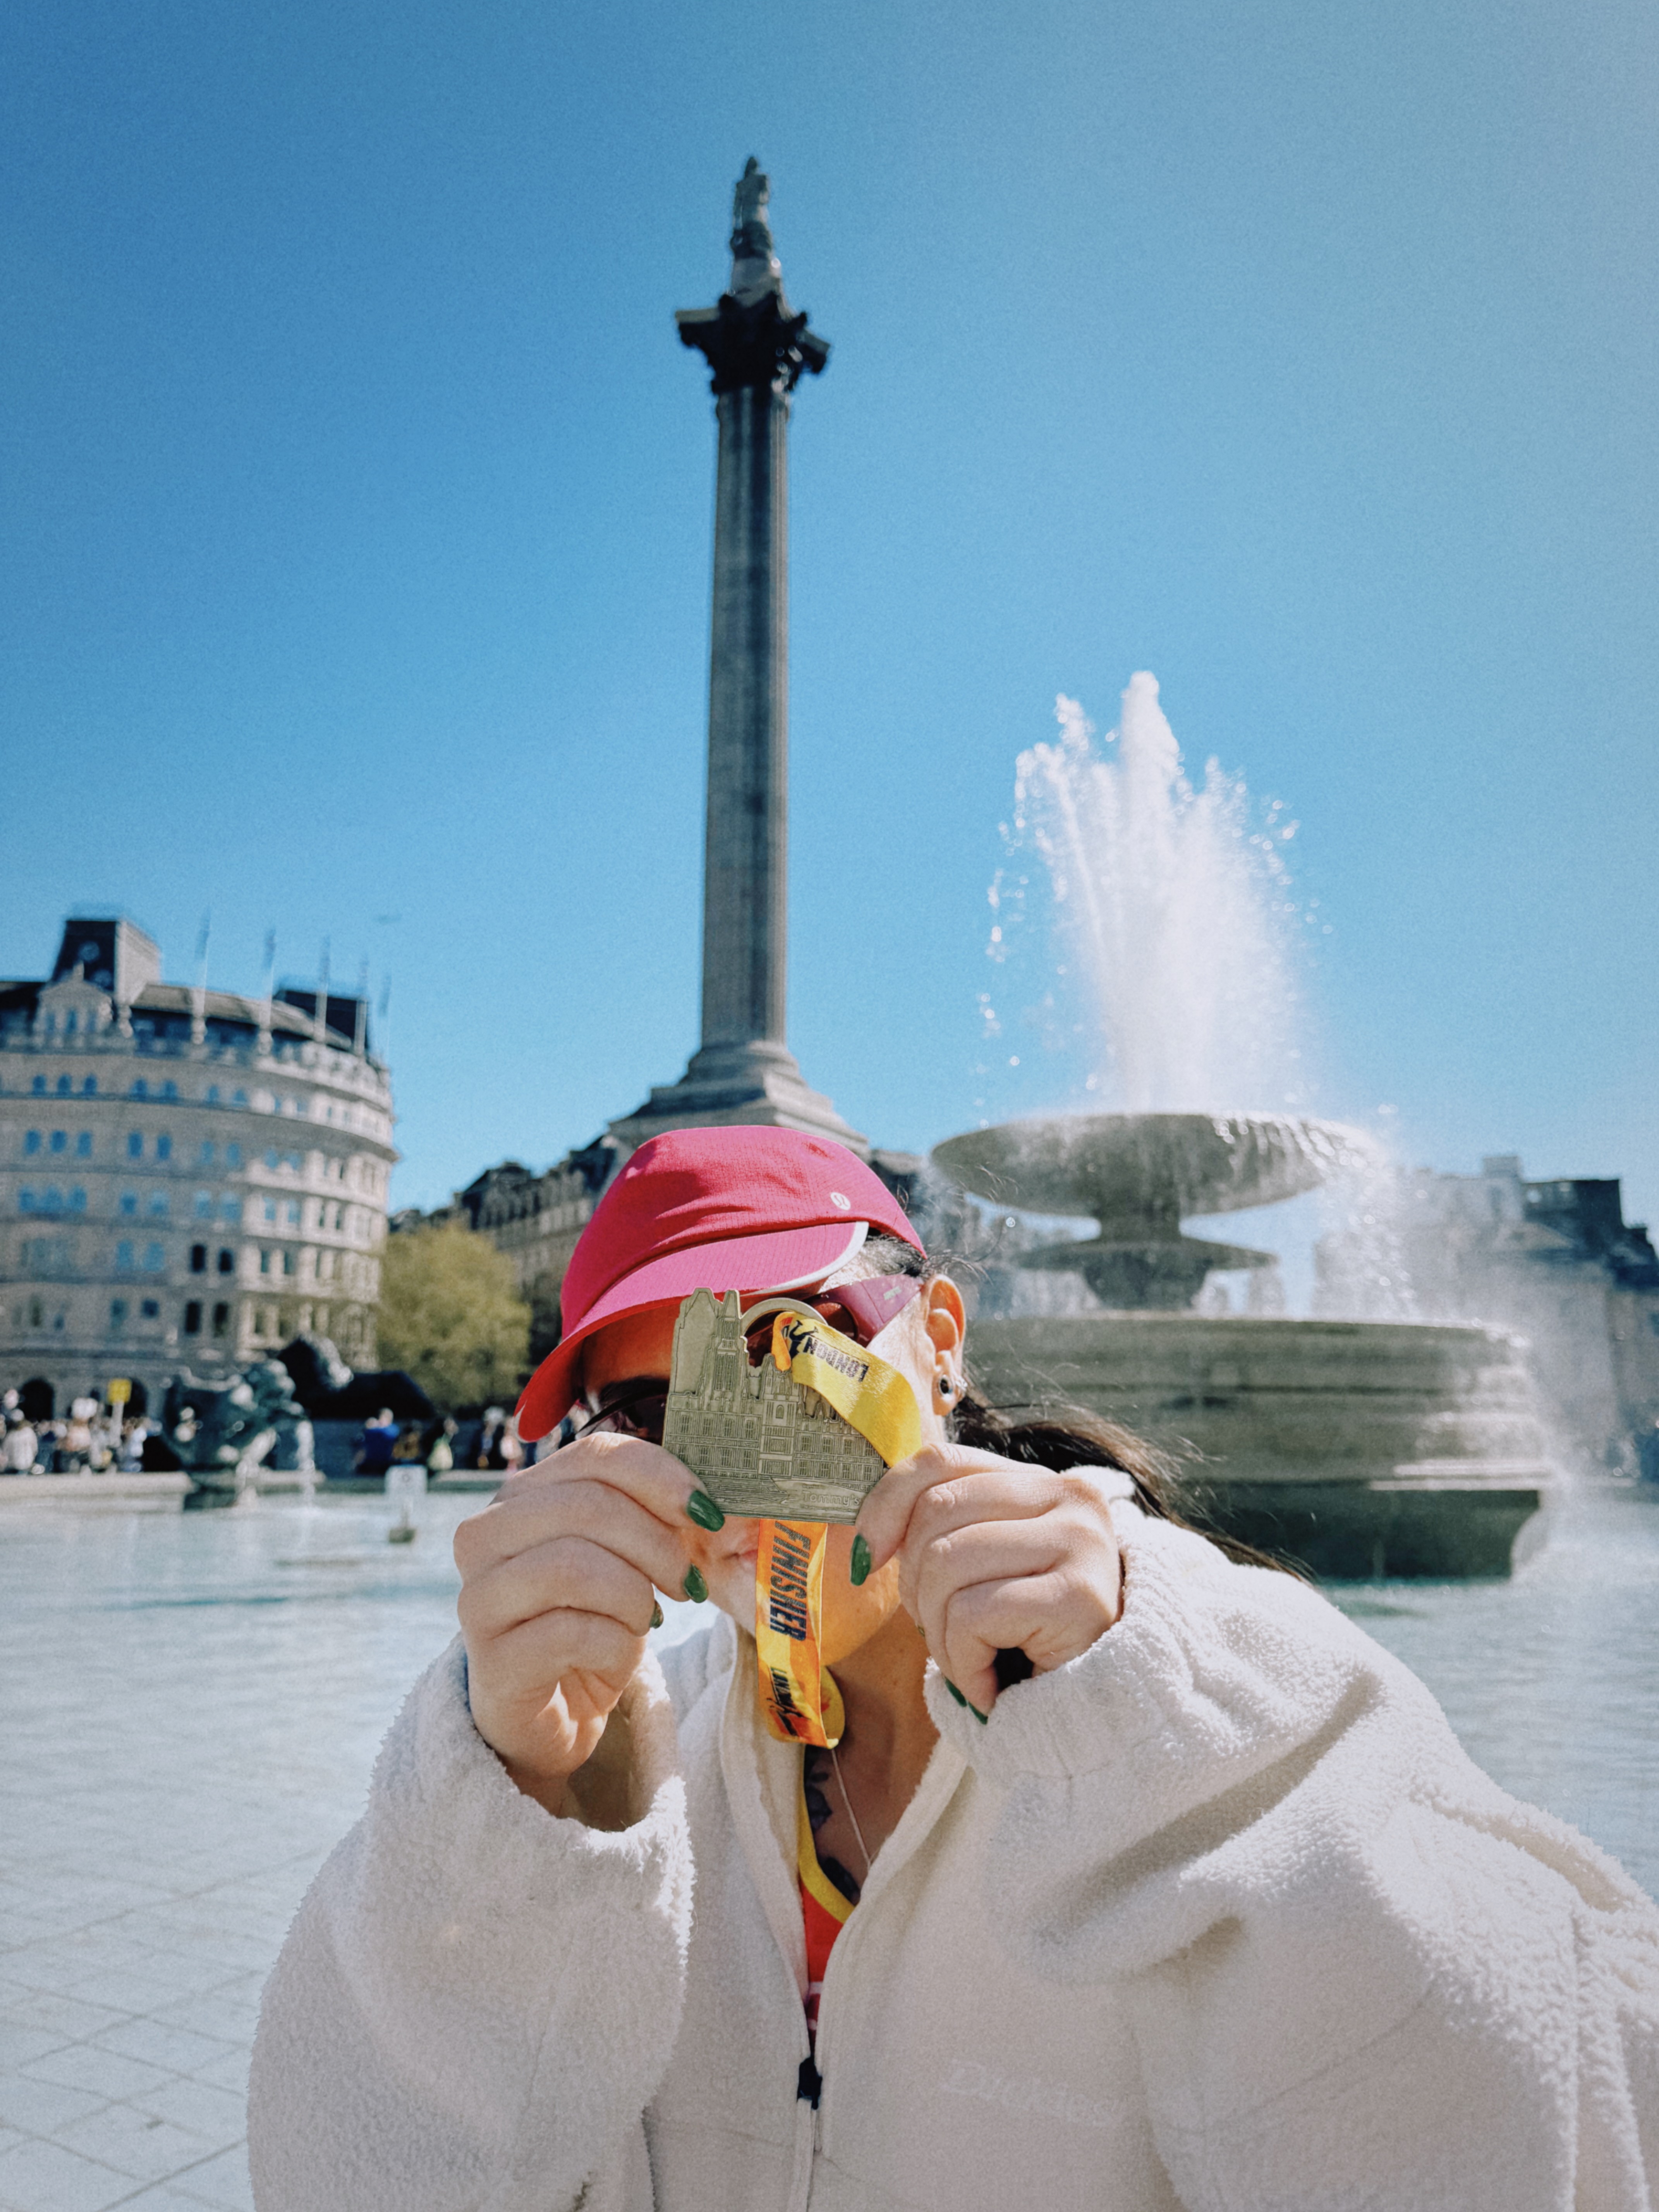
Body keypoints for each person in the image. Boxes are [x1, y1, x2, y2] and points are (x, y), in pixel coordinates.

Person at [250, 1127, 1659, 2211]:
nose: (736, 1466)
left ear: (934, 1340)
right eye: (648, 1412)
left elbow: (1553, 2128)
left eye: (784, 1360)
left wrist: (1155, 1725)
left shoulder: (1234, 1681)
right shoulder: (616, 1757)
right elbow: (351, 2173)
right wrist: (513, 1815)